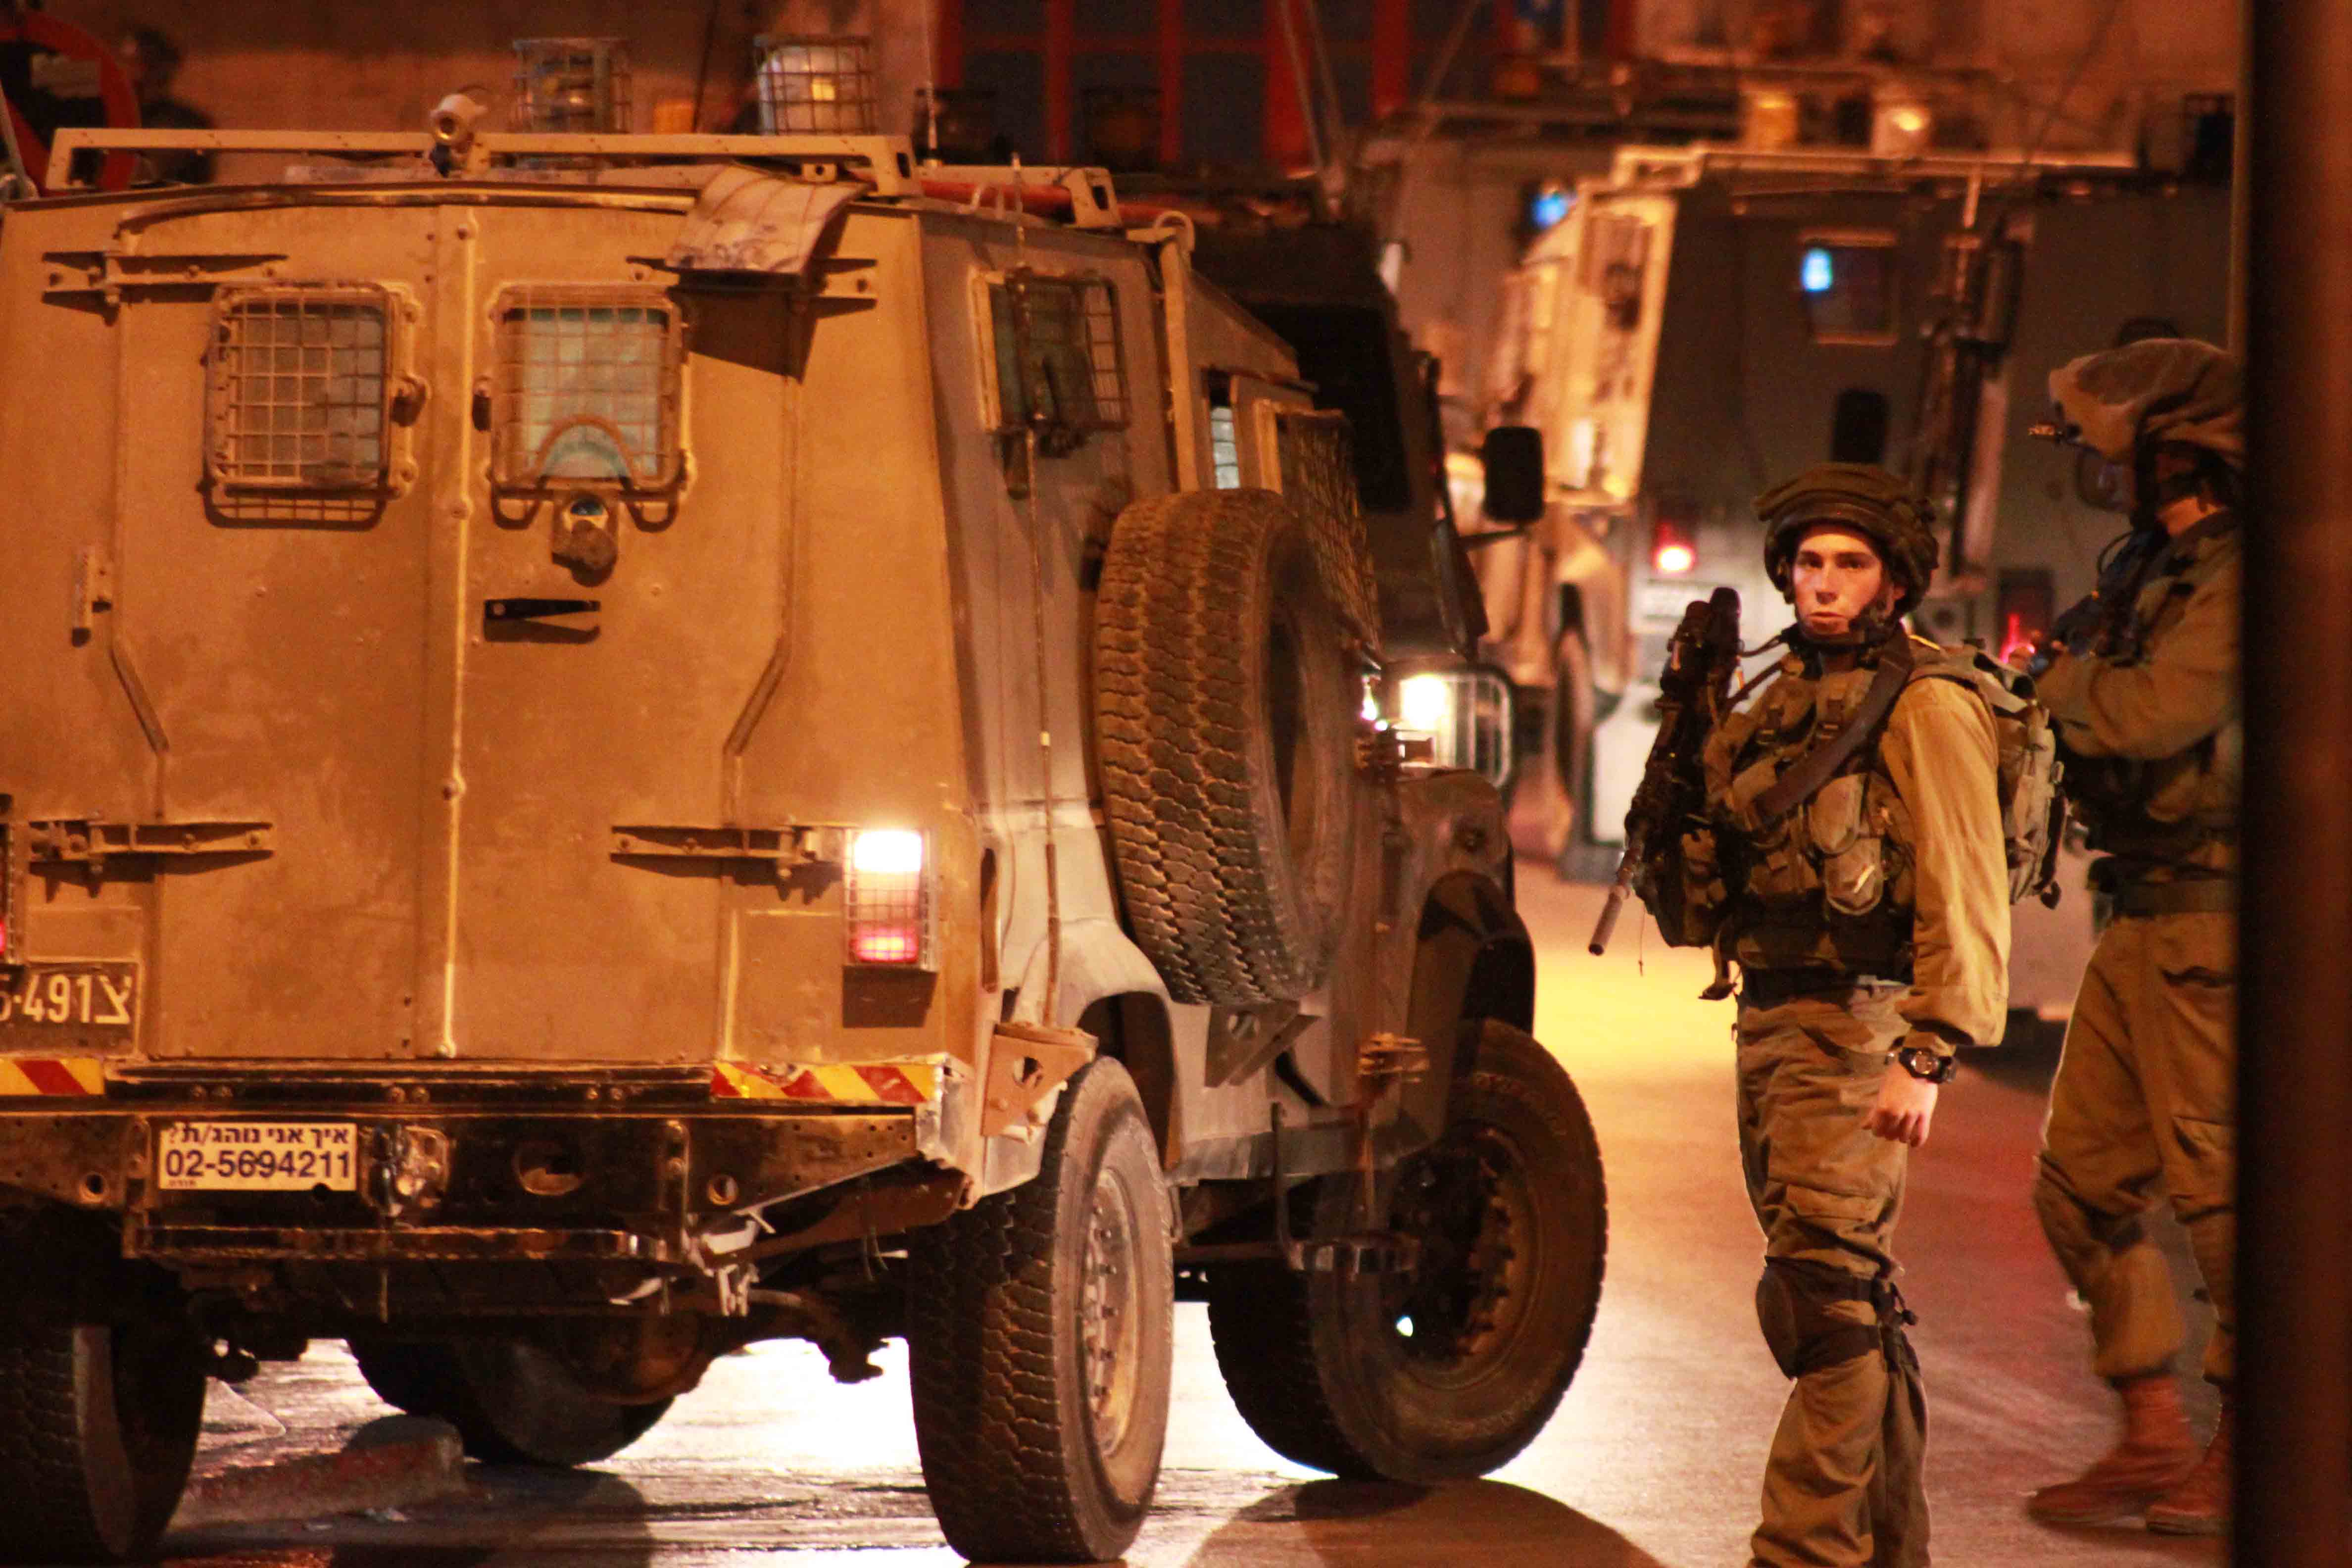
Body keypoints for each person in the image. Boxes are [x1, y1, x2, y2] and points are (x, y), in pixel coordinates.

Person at [1664, 464, 2012, 1566]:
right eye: (1809, 562)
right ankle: (1890, 1548)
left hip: (1860, 1028)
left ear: (1893, 581)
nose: (1823, 584)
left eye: (1849, 564)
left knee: (1822, 1294)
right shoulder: (1776, 700)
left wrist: (1929, 1049)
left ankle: (1800, 1550)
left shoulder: (1926, 702)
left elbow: (1966, 883)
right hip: (1772, 1020)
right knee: (1838, 1293)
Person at [2022, 339, 2241, 1537]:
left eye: (2128, 455)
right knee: (2079, 1184)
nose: (2110, 478)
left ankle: (2251, 1446)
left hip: (2211, 916)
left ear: (2179, 454)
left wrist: (2053, 691)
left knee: (2222, 1196)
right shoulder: (2157, 568)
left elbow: (2156, 713)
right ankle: (2150, 1429)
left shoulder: (2243, 575)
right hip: (2139, 908)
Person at [117, 25, 211, 185]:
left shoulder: (189, 123)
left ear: (164, 68)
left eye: (145, 63)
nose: (133, 72)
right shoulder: (105, 118)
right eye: (127, 63)